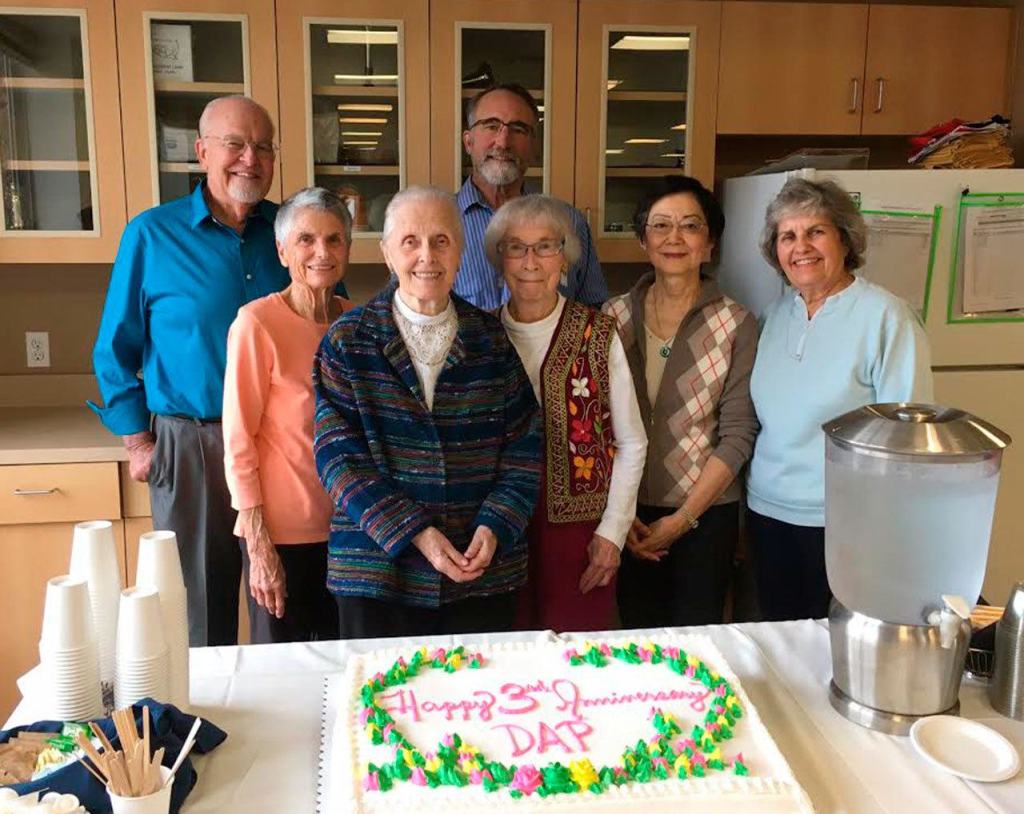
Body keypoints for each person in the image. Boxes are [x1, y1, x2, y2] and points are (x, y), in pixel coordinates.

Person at [91, 95, 282, 646]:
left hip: (280, 445)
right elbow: (115, 347)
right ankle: (204, 730)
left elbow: (332, 329)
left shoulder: (292, 232)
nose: (251, 158)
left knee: (281, 605)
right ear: (202, 152)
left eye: (263, 146)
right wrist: (137, 442)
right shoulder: (151, 235)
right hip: (191, 445)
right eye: (235, 144)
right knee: (198, 613)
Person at [313, 186, 541, 638]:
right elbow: (338, 459)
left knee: (479, 703)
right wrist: (415, 532)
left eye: (441, 240)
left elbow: (526, 449)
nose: (426, 256)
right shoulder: (347, 341)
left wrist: (495, 525)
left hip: (480, 573)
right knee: (382, 703)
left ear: (460, 251)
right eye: (410, 241)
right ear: (386, 254)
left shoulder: (491, 341)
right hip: (378, 573)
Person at [747, 177, 933, 621]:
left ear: (844, 240)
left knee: (835, 648)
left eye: (816, 232)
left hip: (847, 523)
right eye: (787, 236)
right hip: (768, 511)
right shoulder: (773, 317)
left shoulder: (886, 317)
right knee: (783, 639)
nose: (801, 247)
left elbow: (908, 437)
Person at [603, 176, 759, 628]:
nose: (674, 238)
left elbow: (737, 435)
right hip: (626, 512)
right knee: (634, 641)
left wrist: (683, 518)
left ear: (709, 242)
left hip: (706, 516)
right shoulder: (611, 318)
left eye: (690, 226)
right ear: (643, 240)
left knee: (698, 644)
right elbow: (597, 425)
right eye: (661, 225)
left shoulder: (736, 323)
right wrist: (618, 512)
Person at [486, 195, 647, 632]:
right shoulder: (480, 335)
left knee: (579, 656)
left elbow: (632, 441)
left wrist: (612, 533)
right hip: (497, 526)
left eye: (546, 246)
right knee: (507, 654)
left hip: (578, 532)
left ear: (566, 258)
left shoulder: (598, 333)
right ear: (499, 258)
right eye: (515, 247)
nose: (531, 260)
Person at [222, 188, 354, 644]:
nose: (322, 252)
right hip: (282, 537)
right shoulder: (257, 324)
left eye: (335, 240)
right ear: (281, 250)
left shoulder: (355, 324)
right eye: (306, 240)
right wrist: (258, 545)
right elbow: (238, 442)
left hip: (351, 533)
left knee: (348, 670)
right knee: (282, 674)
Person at [455, 83, 608, 310]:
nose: (503, 142)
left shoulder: (570, 222)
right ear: (468, 141)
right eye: (491, 126)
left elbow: (593, 313)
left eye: (518, 130)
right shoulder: (434, 224)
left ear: (533, 146)